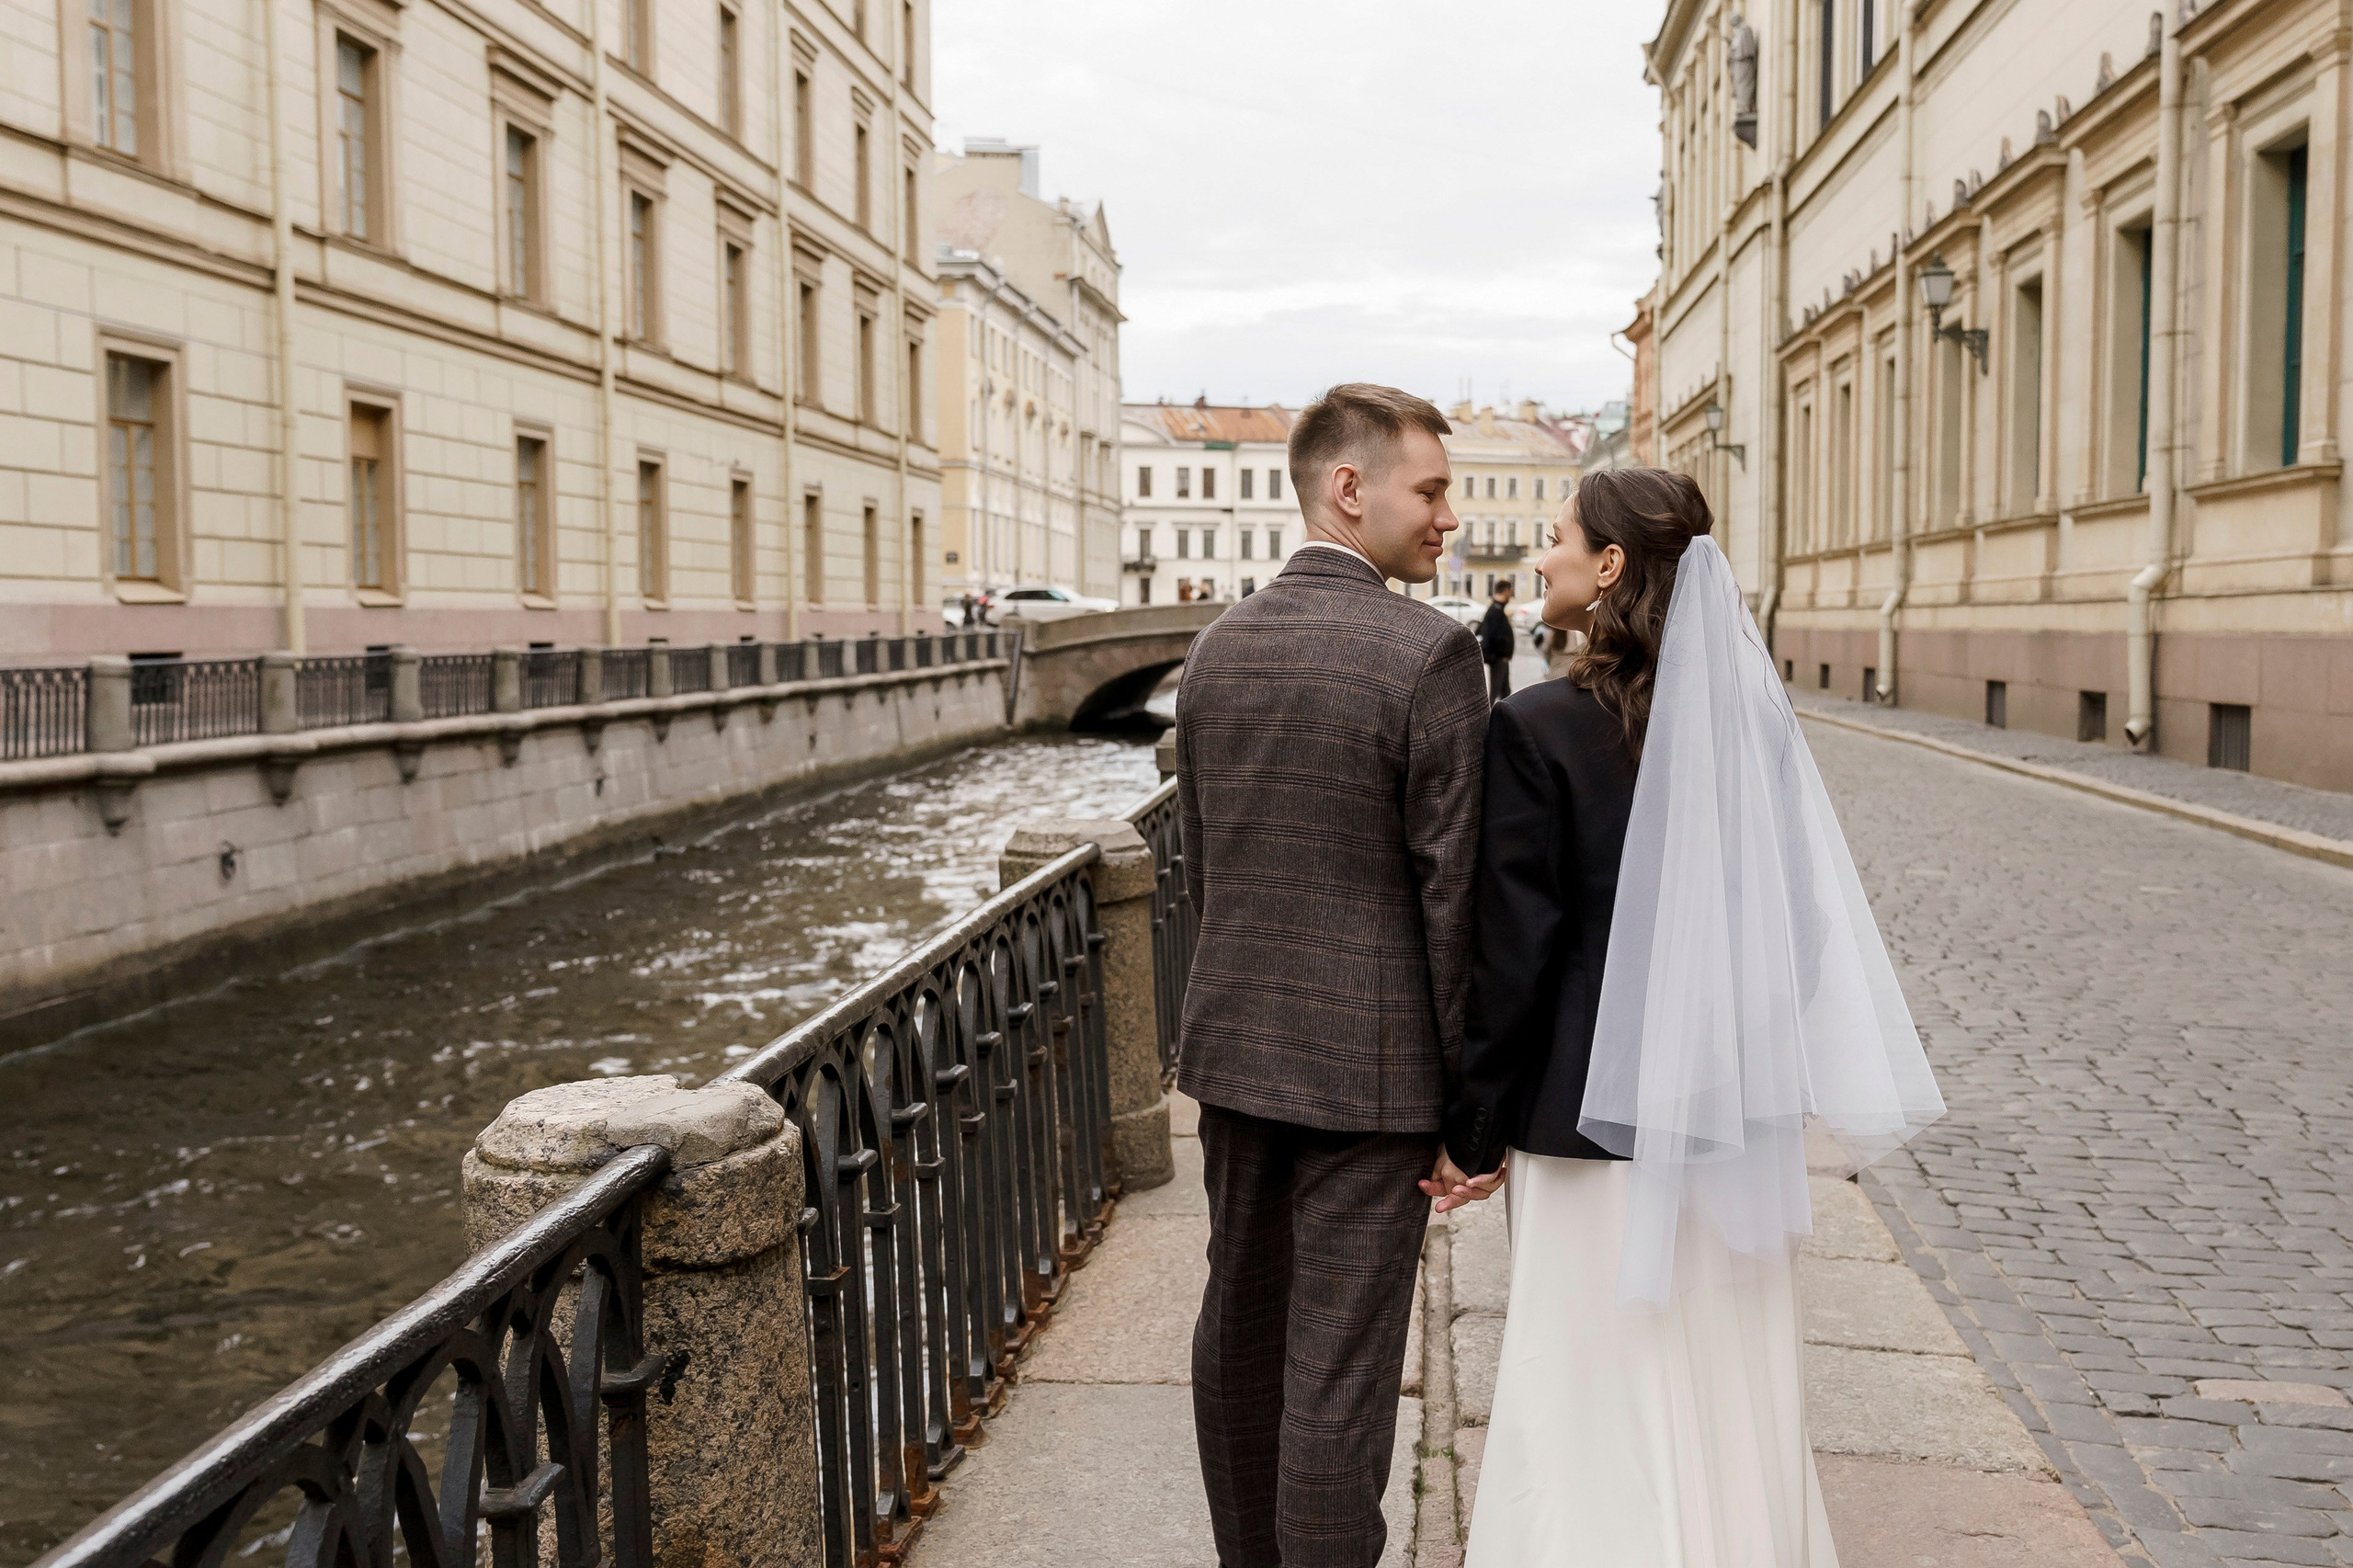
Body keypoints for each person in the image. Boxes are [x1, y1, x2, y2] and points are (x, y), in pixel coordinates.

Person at [1428, 468, 1945, 1567]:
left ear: (1610, 564)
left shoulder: (1534, 727)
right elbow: (1802, 928)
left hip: (1584, 1123)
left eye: (1557, 536)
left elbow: (1514, 959)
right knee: (1720, 1371)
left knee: (1591, 1382)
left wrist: (1472, 1133)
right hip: (1727, 1116)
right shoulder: (1749, 724)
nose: (1540, 556)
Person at [1176, 382, 1486, 1568]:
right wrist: (1467, 1109)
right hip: (1374, 1074)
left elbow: (1205, 860)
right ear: (1349, 489)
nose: (1447, 516)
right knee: (1339, 1374)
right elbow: (1451, 897)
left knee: (1239, 1335)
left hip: (1236, 1053)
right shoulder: (1431, 651)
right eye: (1431, 489)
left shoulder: (1216, 646)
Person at [1477, 580, 1517, 702]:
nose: (1511, 594)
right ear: (1506, 591)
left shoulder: (1496, 609)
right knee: (1496, 690)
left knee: (1505, 692)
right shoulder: (1495, 611)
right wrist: (1502, 654)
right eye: (1510, 591)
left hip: (1501, 657)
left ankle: (1504, 713)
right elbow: (1494, 635)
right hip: (1498, 658)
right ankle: (1488, 713)